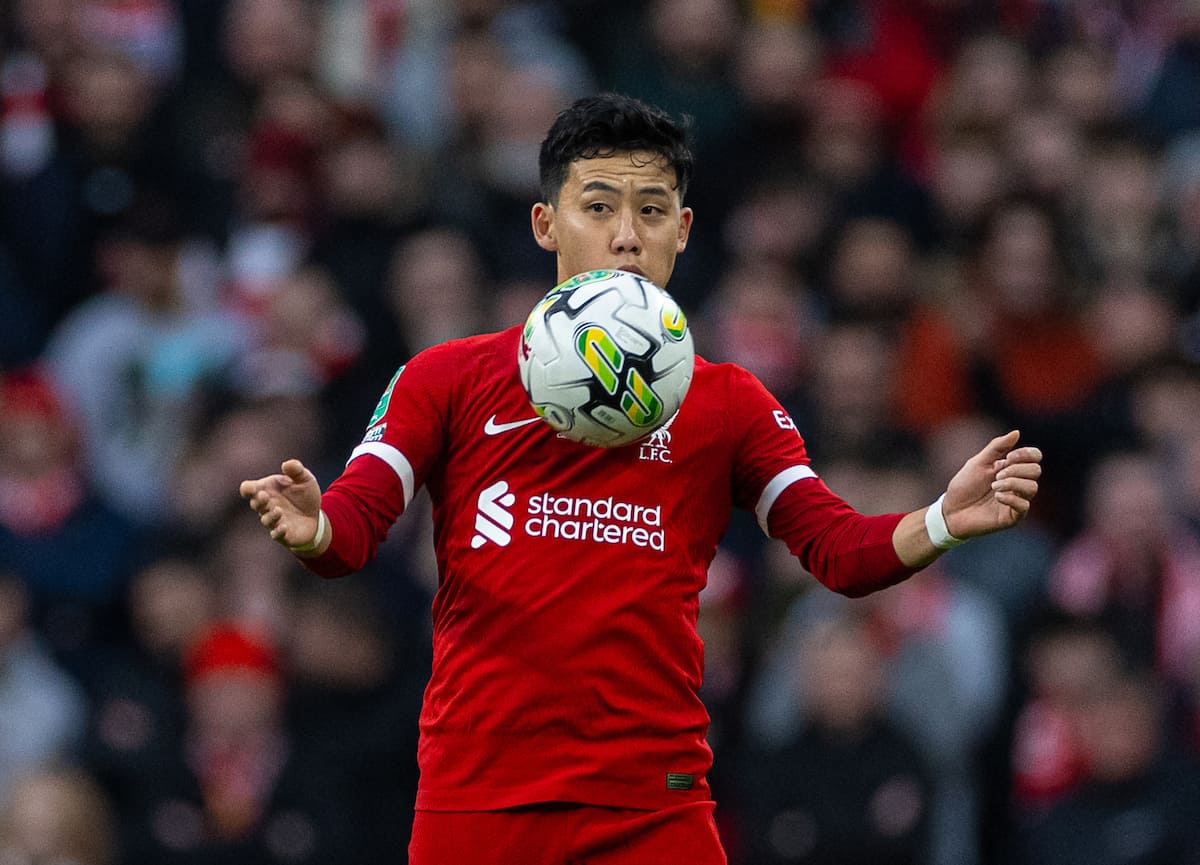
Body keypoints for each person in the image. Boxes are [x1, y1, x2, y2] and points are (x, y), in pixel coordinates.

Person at [239, 92, 1043, 864]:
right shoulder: (445, 377)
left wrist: (942, 517)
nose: (627, 234)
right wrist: (314, 529)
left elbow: (838, 548)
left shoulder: (729, 399)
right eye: (599, 207)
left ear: (684, 230)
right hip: (480, 794)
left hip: (652, 802)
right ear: (545, 222)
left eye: (652, 210)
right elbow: (355, 522)